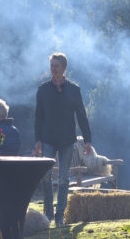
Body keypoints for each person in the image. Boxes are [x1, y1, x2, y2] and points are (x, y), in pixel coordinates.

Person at [35, 52, 92, 226]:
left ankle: (60, 216)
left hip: (67, 139)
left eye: (56, 65)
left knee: (64, 178)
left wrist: (88, 139)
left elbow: (82, 116)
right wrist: (37, 139)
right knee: (46, 176)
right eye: (51, 65)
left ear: (63, 68)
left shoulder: (74, 90)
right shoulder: (43, 89)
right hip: (47, 138)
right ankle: (48, 213)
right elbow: (38, 116)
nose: (53, 69)